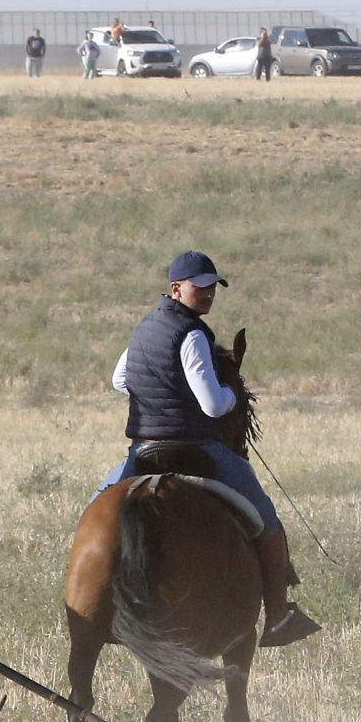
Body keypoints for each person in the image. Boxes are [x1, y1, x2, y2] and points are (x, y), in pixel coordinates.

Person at [94, 252, 319, 648]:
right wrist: (231, 394)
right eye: (201, 286)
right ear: (176, 288)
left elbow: (119, 380)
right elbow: (213, 406)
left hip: (141, 451)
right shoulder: (193, 334)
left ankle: (92, 602)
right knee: (266, 519)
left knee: (96, 513)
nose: (209, 293)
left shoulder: (143, 329)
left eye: (213, 285)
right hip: (192, 447)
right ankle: (279, 617)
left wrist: (160, 391)